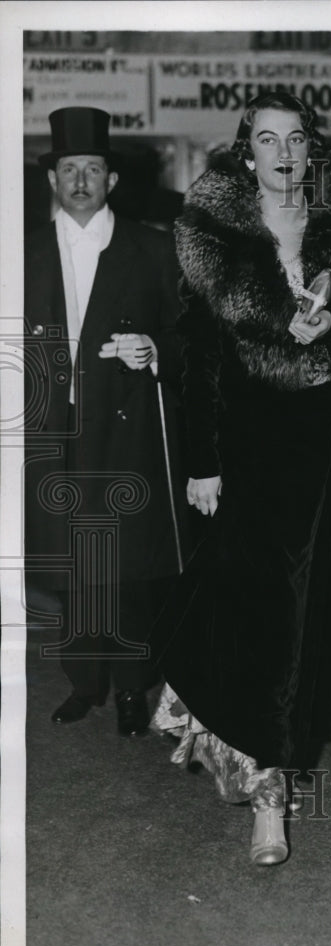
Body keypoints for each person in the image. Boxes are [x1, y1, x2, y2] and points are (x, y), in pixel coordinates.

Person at [150, 92, 331, 865]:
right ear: (245, 153)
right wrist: (204, 461)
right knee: (250, 609)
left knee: (302, 617)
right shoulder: (214, 238)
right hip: (245, 449)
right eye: (266, 139)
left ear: (312, 151)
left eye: (296, 139)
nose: (283, 152)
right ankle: (268, 797)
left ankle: (271, 775)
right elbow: (200, 357)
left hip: (320, 449)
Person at [24, 106, 185, 737]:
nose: (82, 179)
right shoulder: (25, 253)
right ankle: (84, 682)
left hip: (126, 429)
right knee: (71, 563)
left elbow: (188, 338)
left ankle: (129, 688)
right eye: (71, 168)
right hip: (53, 430)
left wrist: (154, 351)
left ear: (112, 181)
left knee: (124, 569)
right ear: (53, 180)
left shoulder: (152, 248)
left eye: (94, 168)